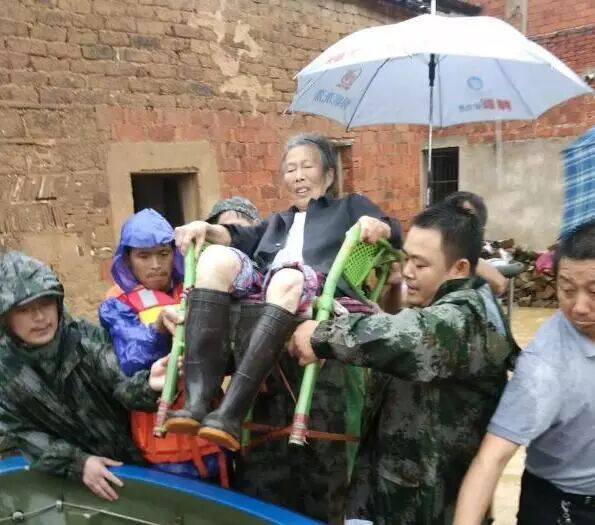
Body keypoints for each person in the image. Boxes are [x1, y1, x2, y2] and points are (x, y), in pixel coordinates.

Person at [170, 132, 401, 523]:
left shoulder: (348, 207)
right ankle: (197, 401)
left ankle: (230, 412)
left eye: (307, 166)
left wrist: (376, 226)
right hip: (263, 292)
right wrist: (204, 229)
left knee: (287, 277)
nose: (298, 175)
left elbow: (392, 229)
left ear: (328, 175)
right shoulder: (277, 222)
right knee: (215, 260)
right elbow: (238, 237)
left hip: (311, 286)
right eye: (290, 169)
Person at [290, 202, 519, 524]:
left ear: (459, 268)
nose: (408, 271)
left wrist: (322, 336)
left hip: (432, 508)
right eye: (406, 258)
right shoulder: (454, 301)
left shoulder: (468, 317)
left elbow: (414, 337)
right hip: (393, 488)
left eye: (420, 264)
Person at [0, 250, 172, 502]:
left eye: (45, 304)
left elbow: (121, 383)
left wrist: (148, 384)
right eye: (25, 310)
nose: (40, 318)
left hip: (133, 470)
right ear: (6, 318)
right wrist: (77, 462)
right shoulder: (4, 368)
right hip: (62, 485)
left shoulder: (85, 339)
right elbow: (17, 433)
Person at [454, 220, 595, 525]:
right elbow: (491, 460)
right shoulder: (545, 368)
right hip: (565, 505)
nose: (579, 307)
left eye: (594, 291)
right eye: (567, 290)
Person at [98, 208, 228, 484]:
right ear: (128, 259)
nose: (156, 264)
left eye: (163, 253)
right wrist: (158, 329)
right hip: (162, 444)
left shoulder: (199, 287)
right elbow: (132, 359)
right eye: (144, 256)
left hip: (213, 436)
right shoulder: (117, 304)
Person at [443, 191, 509, 296]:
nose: (455, 225)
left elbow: (499, 285)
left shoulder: (493, 262)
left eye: (464, 217)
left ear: (481, 229)